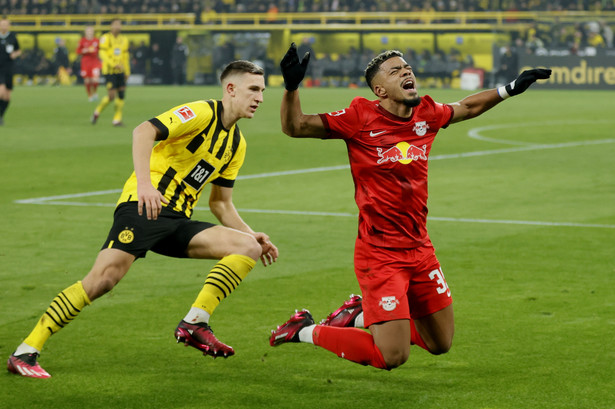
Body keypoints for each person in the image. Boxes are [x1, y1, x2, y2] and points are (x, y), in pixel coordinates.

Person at [269, 43, 551, 370]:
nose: (407, 71)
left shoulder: (426, 114)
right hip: (380, 253)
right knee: (393, 355)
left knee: (440, 343)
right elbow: (296, 126)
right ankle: (304, 329)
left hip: (420, 248)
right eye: (395, 70)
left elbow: (467, 107)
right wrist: (291, 88)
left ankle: (360, 315)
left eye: (407, 68)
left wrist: (509, 89)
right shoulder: (360, 117)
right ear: (379, 89)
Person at [7, 60, 278, 379]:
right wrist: (146, 185)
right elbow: (143, 131)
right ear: (230, 89)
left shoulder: (236, 145)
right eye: (254, 89)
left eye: (262, 91)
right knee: (102, 280)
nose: (260, 97)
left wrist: (252, 235)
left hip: (178, 220)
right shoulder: (201, 112)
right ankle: (25, 351)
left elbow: (221, 203)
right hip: (143, 207)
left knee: (246, 248)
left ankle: (194, 322)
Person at [91, 18, 130, 126]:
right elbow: (102, 54)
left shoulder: (124, 39)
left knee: (121, 94)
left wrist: (127, 71)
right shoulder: (105, 38)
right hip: (109, 71)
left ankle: (117, 119)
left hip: (121, 71)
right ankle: (97, 111)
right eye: (116, 24)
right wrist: (113, 64)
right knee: (111, 96)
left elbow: (125, 56)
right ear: (111, 26)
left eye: (120, 24)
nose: (118, 26)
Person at [0, 16, 21, 126]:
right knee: (1, 92)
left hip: (9, 68)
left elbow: (19, 50)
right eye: (2, 24)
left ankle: (1, 116)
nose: (3, 26)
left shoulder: (12, 37)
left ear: (8, 26)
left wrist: (15, 54)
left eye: (5, 24)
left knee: (7, 96)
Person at [76, 25, 101, 101]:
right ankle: (90, 96)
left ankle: (95, 93)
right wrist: (84, 50)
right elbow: (78, 51)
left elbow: (101, 50)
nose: (90, 32)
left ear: (93, 32)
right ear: (85, 32)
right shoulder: (82, 41)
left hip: (95, 61)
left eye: (91, 31)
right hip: (85, 62)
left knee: (95, 80)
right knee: (87, 80)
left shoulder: (96, 41)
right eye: (88, 31)